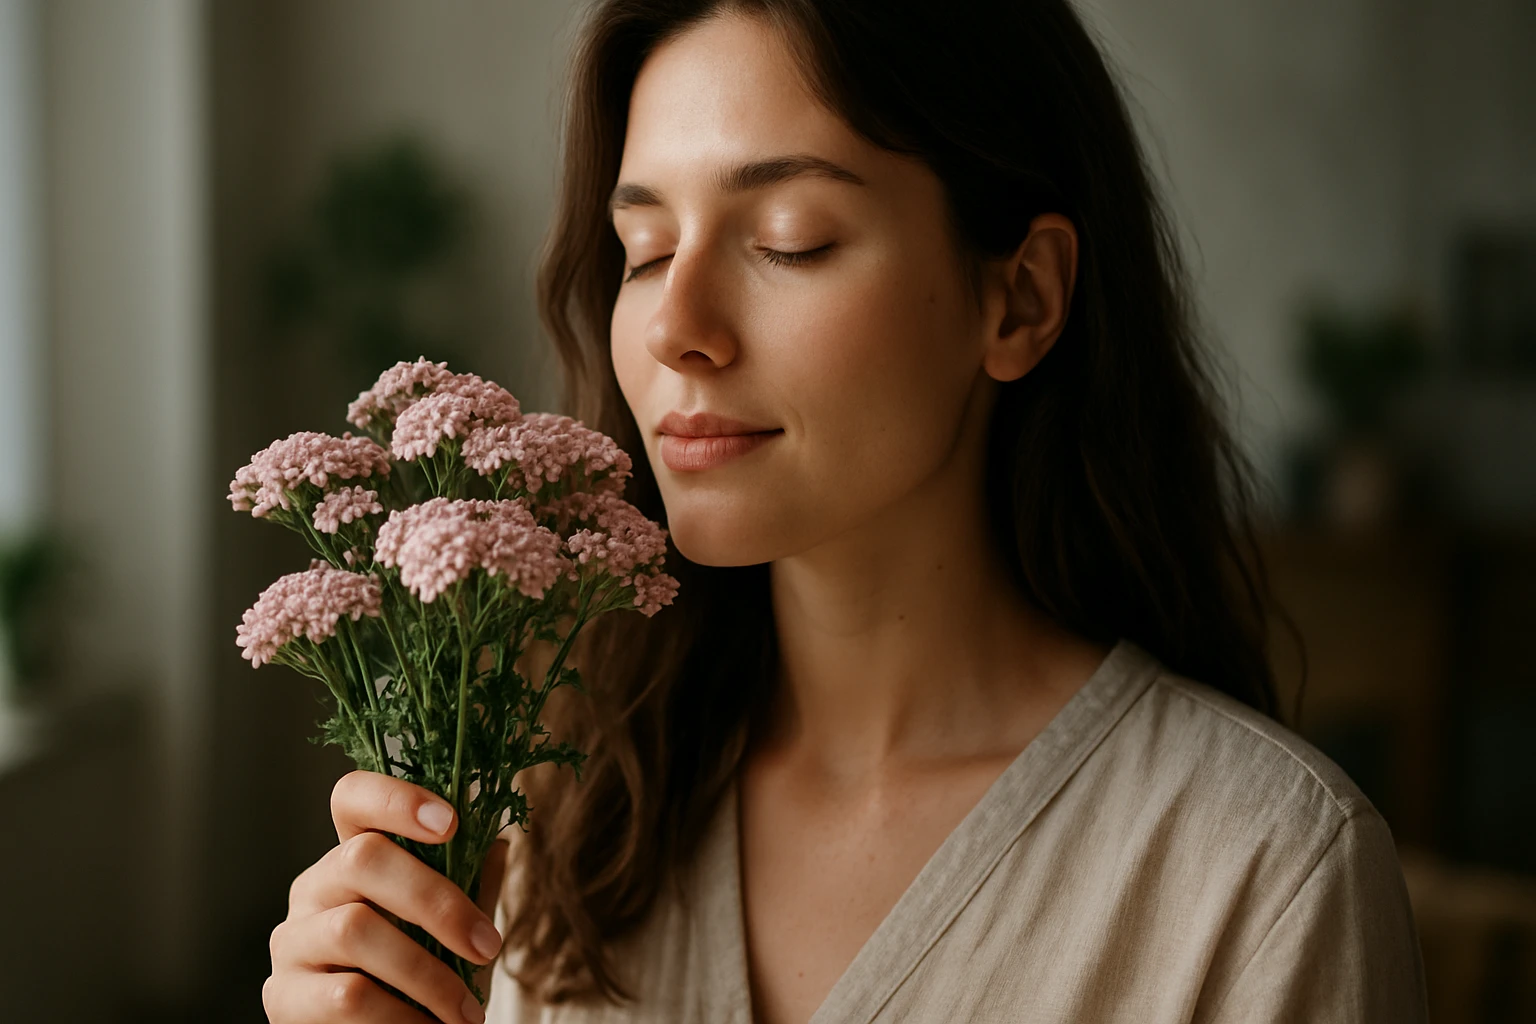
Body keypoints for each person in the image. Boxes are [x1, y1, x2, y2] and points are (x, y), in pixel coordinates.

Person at [262, 1, 1432, 1022]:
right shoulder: (563, 816)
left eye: (791, 241)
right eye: (645, 249)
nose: (676, 326)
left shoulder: (1263, 875)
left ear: (1020, 299)